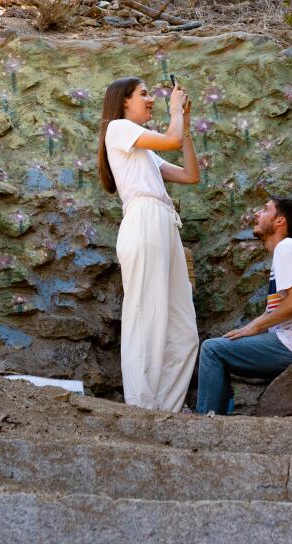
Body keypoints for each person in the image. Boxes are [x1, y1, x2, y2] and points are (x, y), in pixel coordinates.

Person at [97, 77, 201, 411]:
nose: (150, 100)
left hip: (165, 224)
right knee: (145, 316)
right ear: (124, 101)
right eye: (144, 94)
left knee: (184, 330)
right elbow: (169, 139)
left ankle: (165, 410)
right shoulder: (118, 128)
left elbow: (190, 175)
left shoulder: (144, 150)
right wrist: (174, 113)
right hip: (143, 220)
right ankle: (141, 408)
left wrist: (183, 124)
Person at [194, 197, 292, 415]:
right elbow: (277, 309)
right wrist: (249, 329)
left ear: (280, 221)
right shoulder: (288, 251)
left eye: (266, 209)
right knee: (223, 345)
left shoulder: (286, 248)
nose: (257, 214)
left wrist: (255, 328)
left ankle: (205, 422)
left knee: (212, 350)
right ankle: (215, 416)